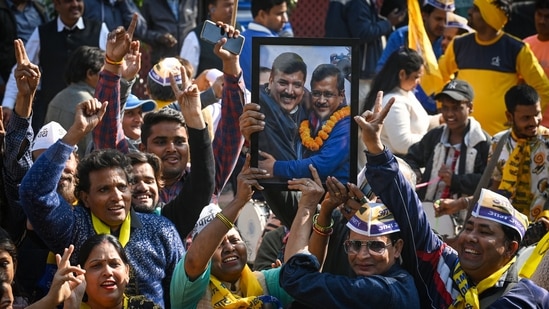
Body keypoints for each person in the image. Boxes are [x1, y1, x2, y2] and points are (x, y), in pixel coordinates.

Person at [355, 90, 549, 308]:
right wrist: (376, 148)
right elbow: (408, 208)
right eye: (468, 228)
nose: (470, 238)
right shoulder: (442, 263)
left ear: (511, 248)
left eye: (484, 231)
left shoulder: (528, 299)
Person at [19, 97, 184, 307]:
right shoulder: (72, 227)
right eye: (104, 189)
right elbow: (33, 193)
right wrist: (74, 134)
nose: (116, 196)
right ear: (85, 198)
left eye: (122, 187)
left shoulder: (161, 231)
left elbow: (180, 296)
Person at [279, 165, 420, 308]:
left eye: (376, 246)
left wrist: (308, 205)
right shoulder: (342, 222)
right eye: (355, 245)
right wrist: (325, 212)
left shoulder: (386, 289)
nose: (362, 256)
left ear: (397, 248)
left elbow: (296, 279)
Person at [170, 155, 293, 309]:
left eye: (235, 240)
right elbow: (195, 262)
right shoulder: (189, 291)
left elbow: (304, 275)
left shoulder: (264, 282)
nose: (229, 247)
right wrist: (240, 200)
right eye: (218, 245)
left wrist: (310, 209)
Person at [438, 0, 549, 136]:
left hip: (502, 141)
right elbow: (439, 77)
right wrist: (444, 109)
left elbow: (543, 88)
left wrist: (526, 121)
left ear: (489, 16)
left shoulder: (517, 49)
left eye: (476, 9)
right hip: (462, 137)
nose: (470, 12)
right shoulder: (458, 44)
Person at [1, 0, 110, 133]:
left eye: (79, 0)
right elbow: (22, 68)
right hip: (50, 115)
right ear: (56, 5)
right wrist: (8, 104)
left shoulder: (99, 29)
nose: (75, 4)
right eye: (68, 1)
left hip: (90, 114)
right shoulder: (42, 32)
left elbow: (112, 71)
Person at [258, 63, 351, 183]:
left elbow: (323, 164)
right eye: (316, 94)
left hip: (338, 197)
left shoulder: (346, 125)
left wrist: (276, 168)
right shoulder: (309, 120)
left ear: (341, 95)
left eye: (328, 94)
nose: (321, 101)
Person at [404, 79, 490, 203]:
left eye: (456, 108)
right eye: (445, 107)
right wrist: (414, 174)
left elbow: (489, 181)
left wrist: (455, 180)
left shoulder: (482, 142)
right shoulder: (435, 136)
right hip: (427, 208)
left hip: (463, 216)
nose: (449, 114)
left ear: (470, 108)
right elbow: (410, 159)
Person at [324, 0, 406, 110]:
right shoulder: (358, 3)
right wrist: (389, 23)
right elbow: (363, 33)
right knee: (359, 116)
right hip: (358, 75)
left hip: (348, 70)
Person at [365, 47, 442, 156]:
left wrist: (441, 119)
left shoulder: (405, 92)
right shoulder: (394, 102)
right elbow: (402, 143)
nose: (418, 82)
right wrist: (435, 138)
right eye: (416, 77)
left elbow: (418, 122)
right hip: (398, 167)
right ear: (402, 74)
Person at [44, 45, 105, 158]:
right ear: (90, 74)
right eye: (104, 73)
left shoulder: (57, 98)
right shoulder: (90, 105)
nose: (106, 78)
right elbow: (94, 152)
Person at [180, 0, 244, 78]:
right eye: (227, 5)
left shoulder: (241, 31)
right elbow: (186, 77)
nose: (232, 9)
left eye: (234, 5)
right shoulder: (194, 37)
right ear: (212, 8)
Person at [0, 0, 48, 96]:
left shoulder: (39, 8)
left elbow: (50, 37)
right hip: (8, 82)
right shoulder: (2, 10)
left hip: (40, 81)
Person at [240, 0, 289, 90]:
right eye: (279, 14)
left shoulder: (238, 39)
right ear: (262, 14)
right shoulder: (276, 46)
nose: (285, 19)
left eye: (285, 13)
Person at [141, 0, 197, 64]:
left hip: (188, 61)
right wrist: (159, 37)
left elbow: (201, 24)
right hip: (163, 62)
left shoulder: (191, 1)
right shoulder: (150, 3)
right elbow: (143, 32)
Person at [524, 0, 549, 127]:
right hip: (530, 126)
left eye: (547, 17)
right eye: (539, 15)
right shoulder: (525, 46)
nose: (542, 21)